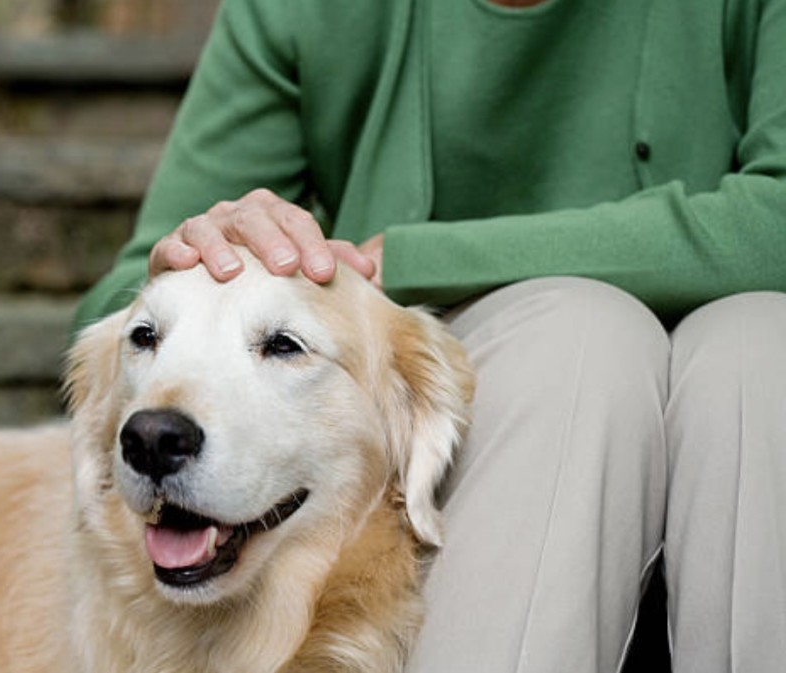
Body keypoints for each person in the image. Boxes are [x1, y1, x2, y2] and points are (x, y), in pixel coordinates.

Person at [73, 1, 786, 671]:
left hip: (734, 413)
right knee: (585, 341)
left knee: (761, 343)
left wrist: (407, 258)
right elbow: (118, 302)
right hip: (513, 398)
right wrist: (192, 253)